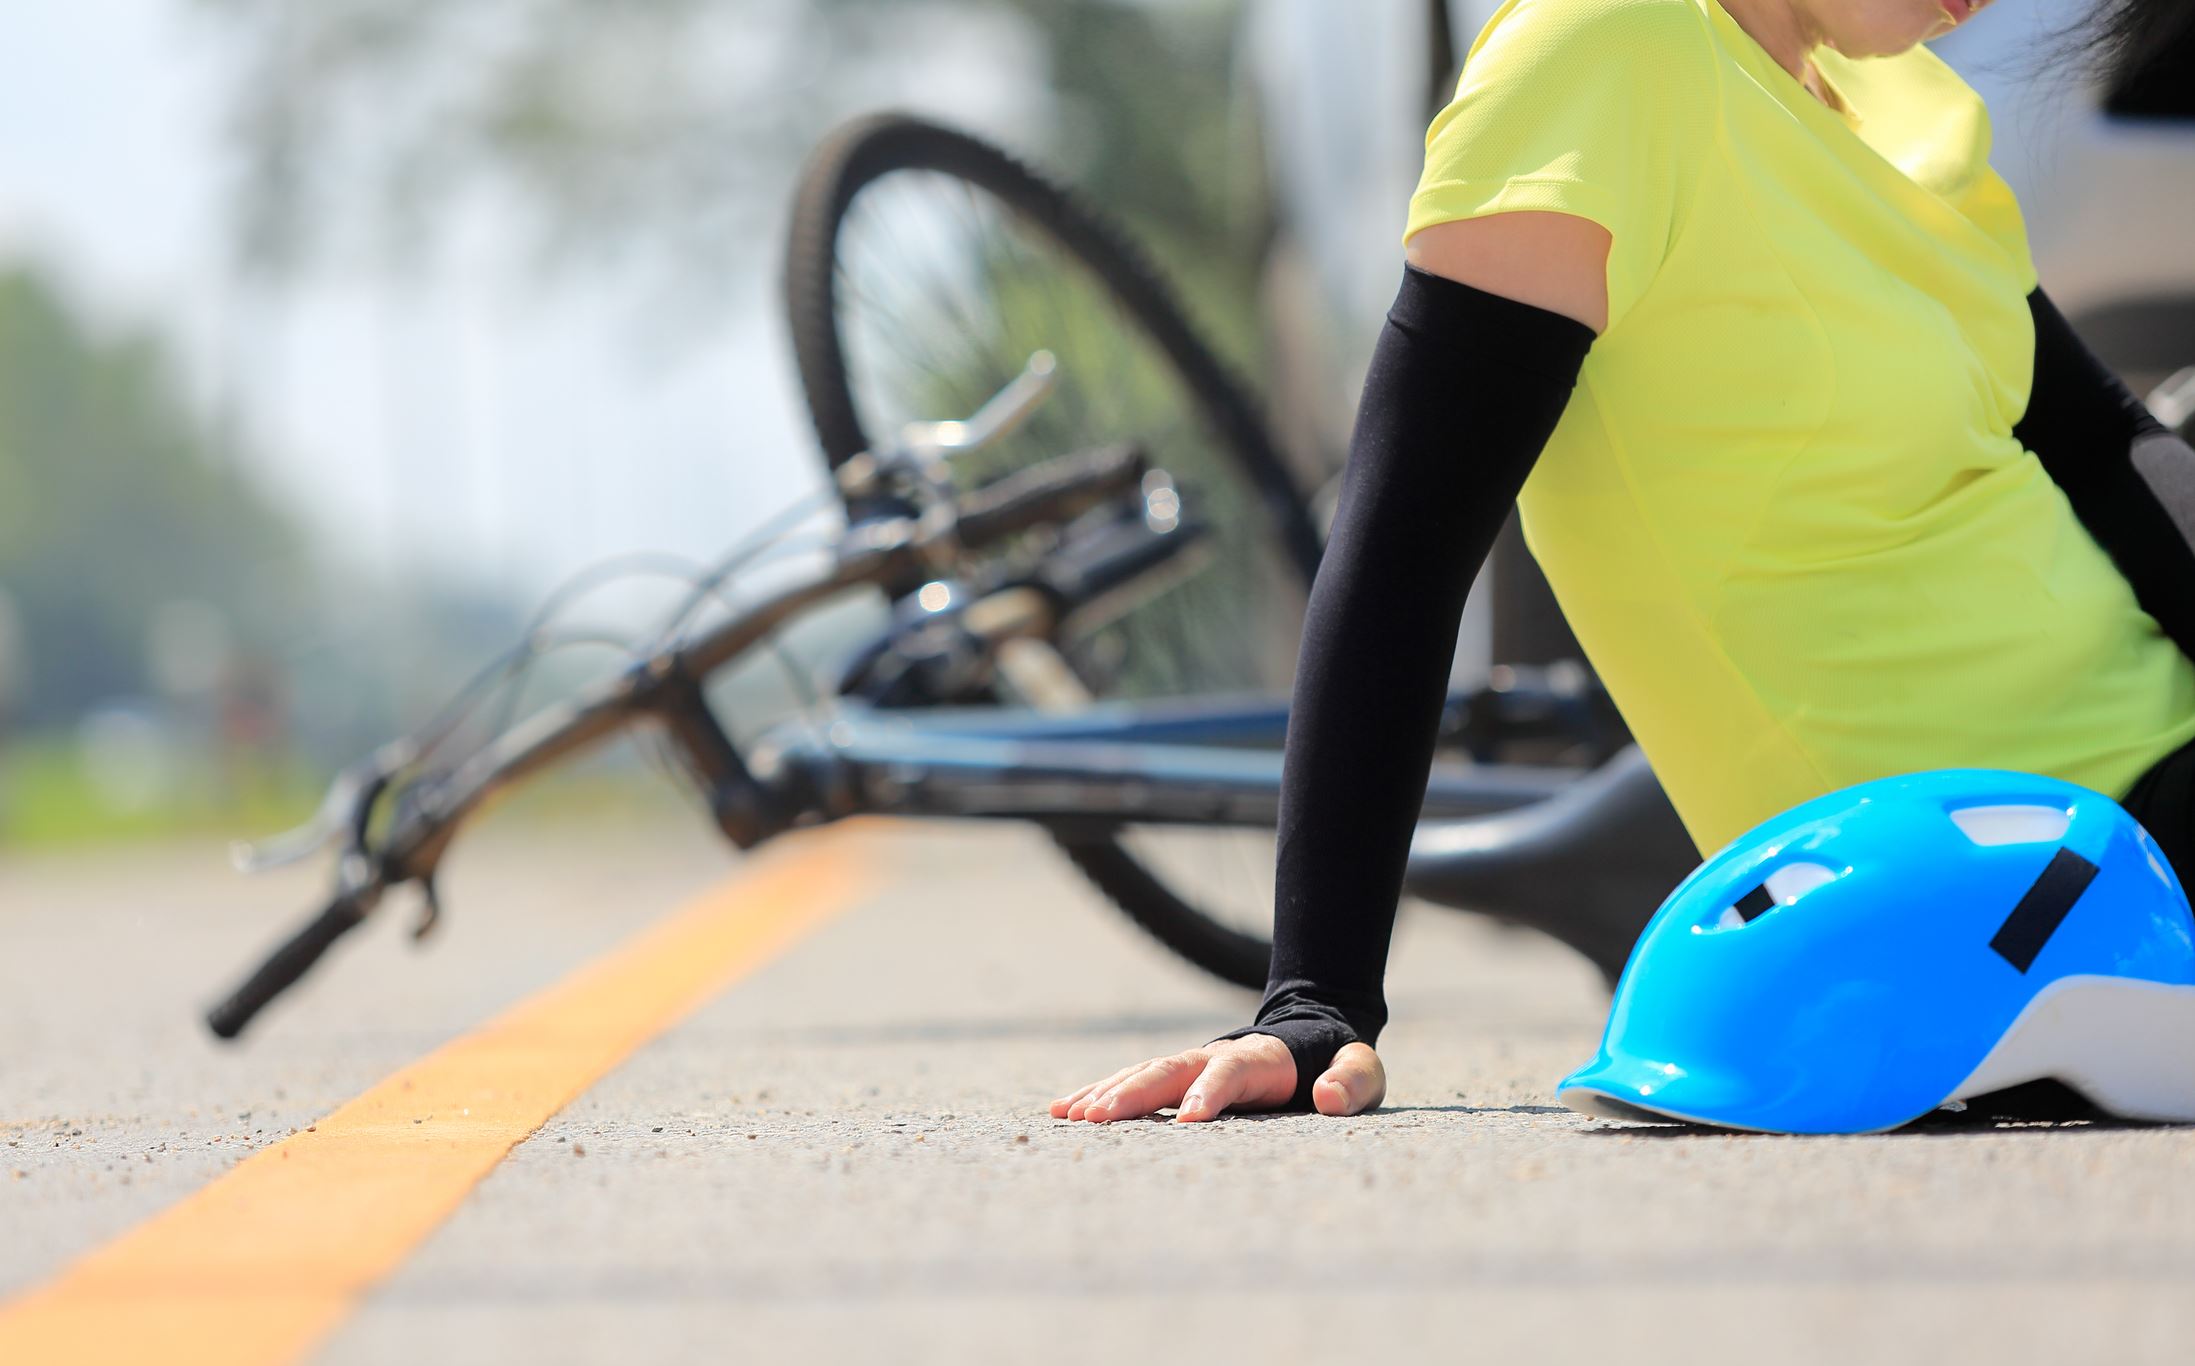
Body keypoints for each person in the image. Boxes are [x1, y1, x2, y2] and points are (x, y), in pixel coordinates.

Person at [1052, 0, 2195, 1125]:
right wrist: (1315, 995)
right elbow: (1403, 550)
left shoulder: (1898, 95)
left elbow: (2099, 445)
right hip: (2028, 871)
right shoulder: (1604, 52)